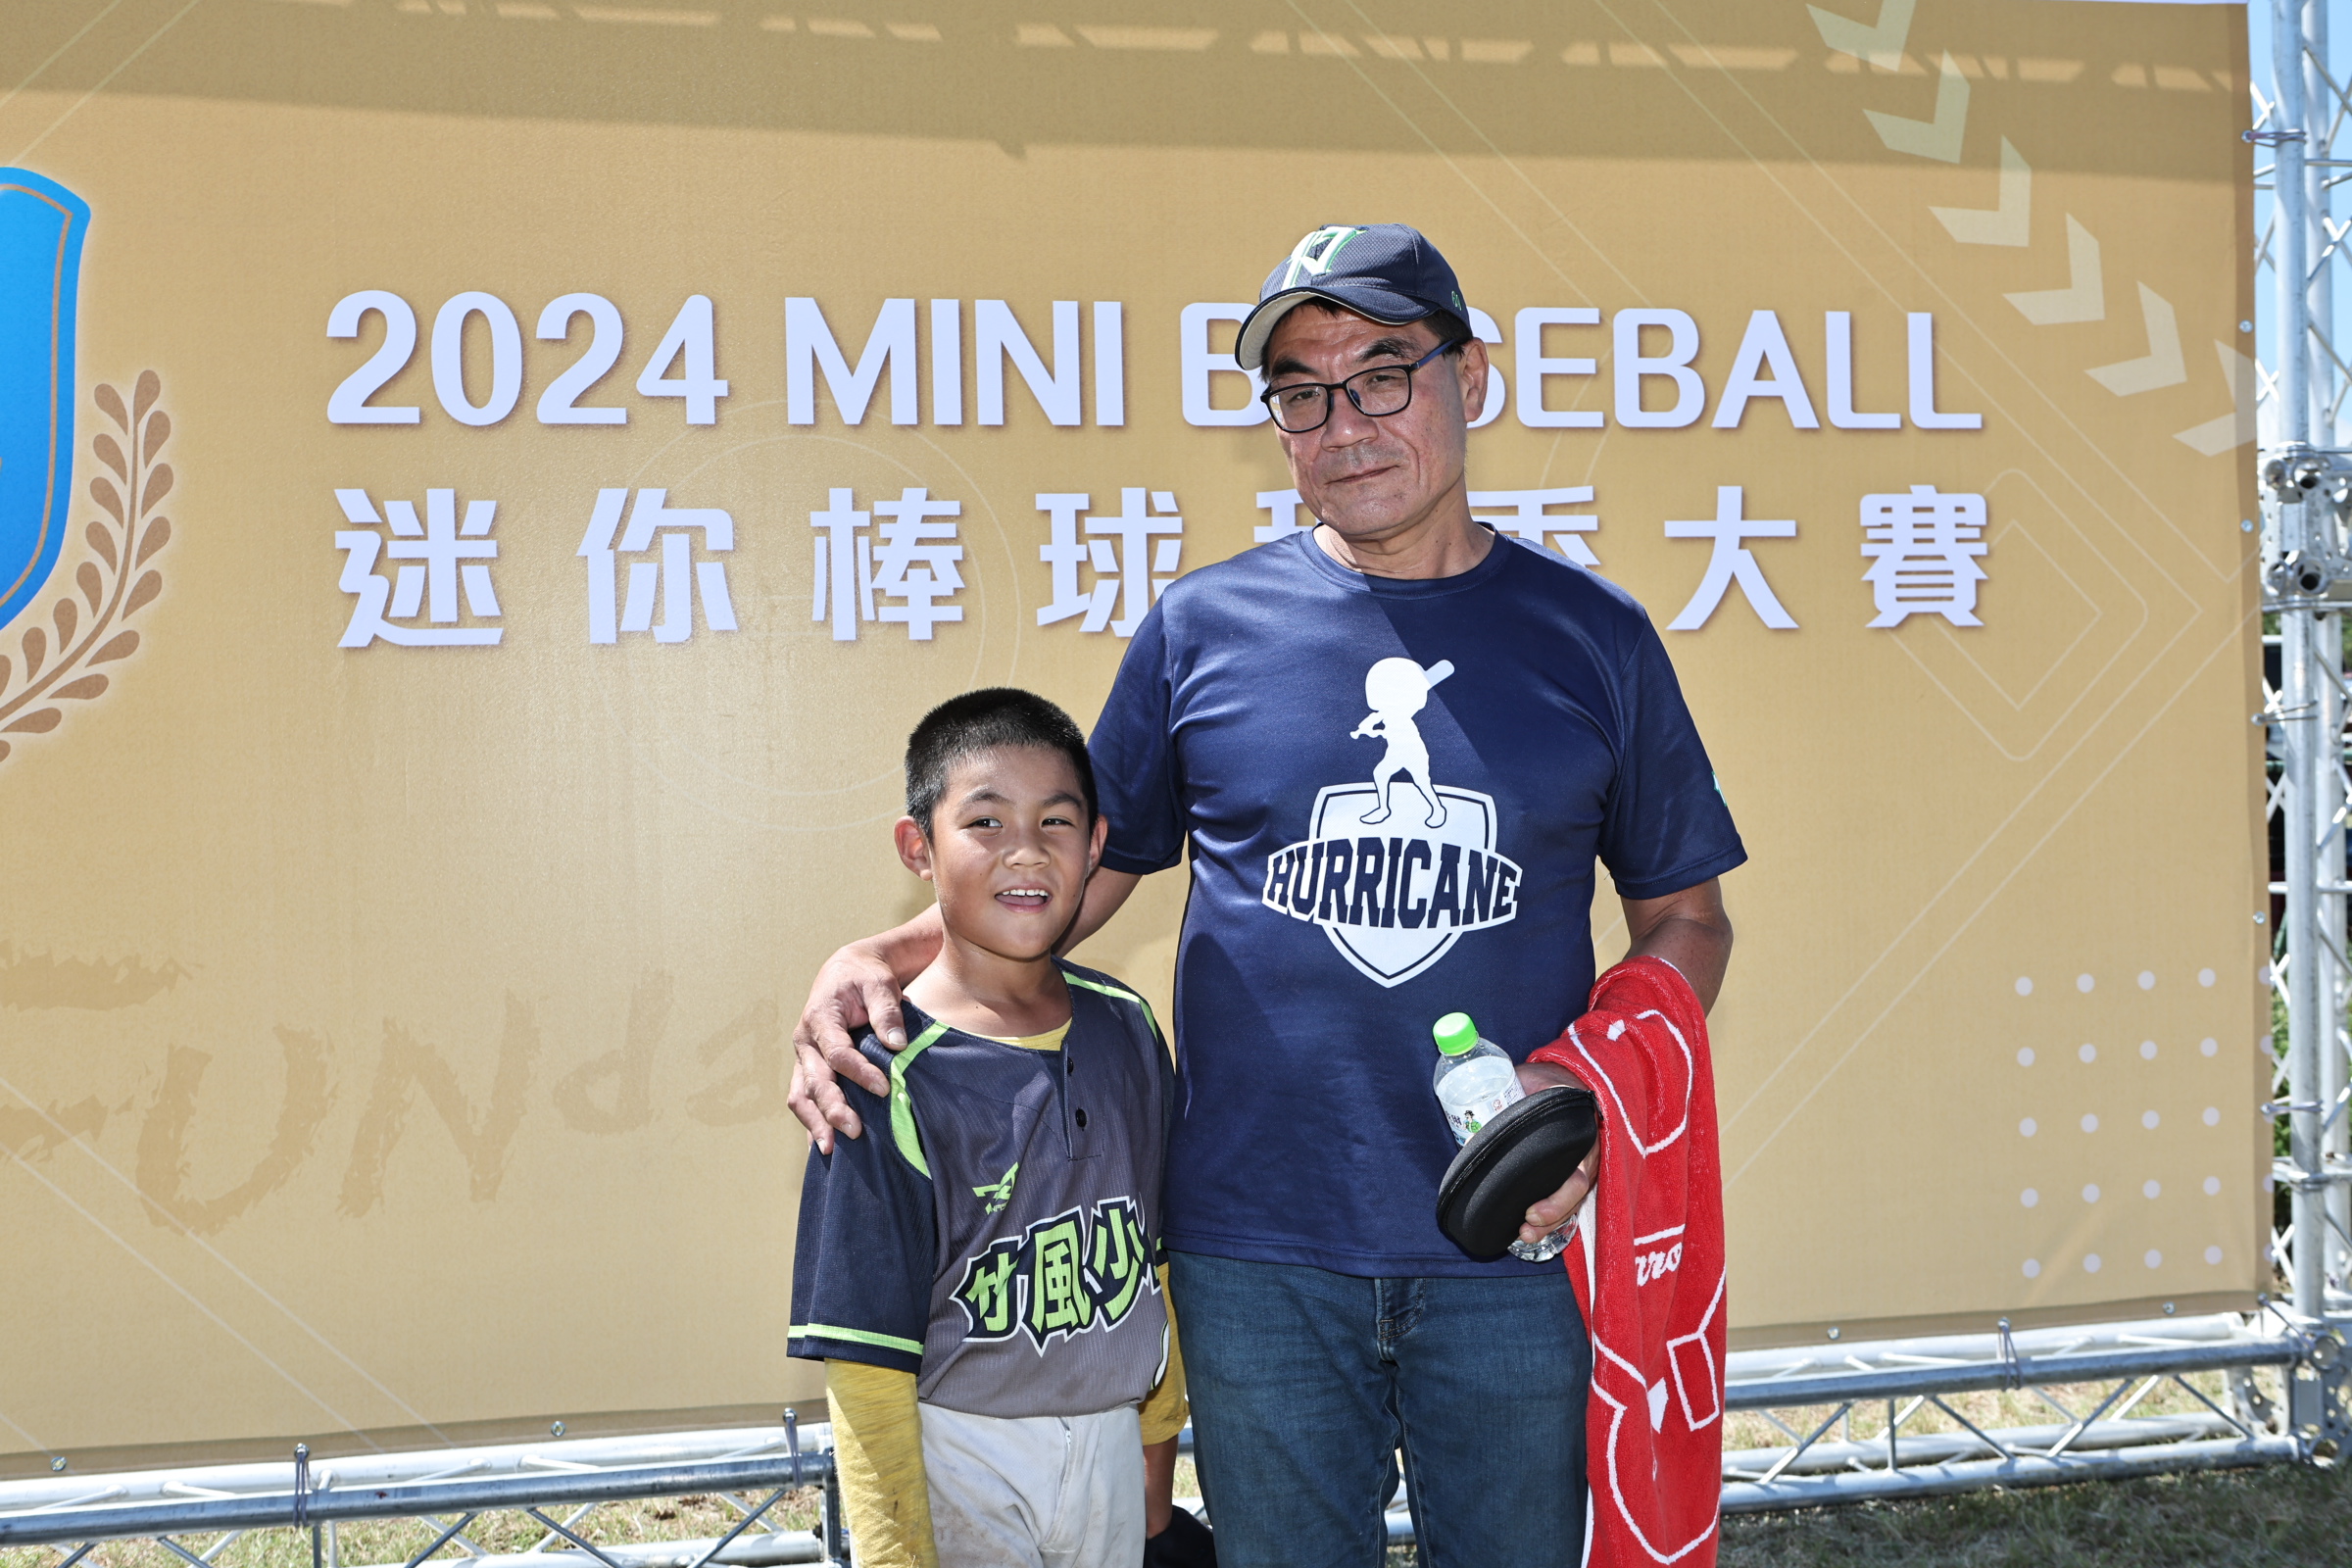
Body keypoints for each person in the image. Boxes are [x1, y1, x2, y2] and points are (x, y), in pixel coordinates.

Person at [791, 225, 1744, 1568]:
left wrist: (1583, 1086)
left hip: (1516, 1240)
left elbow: (1688, 918)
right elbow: (1076, 873)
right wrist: (883, 958)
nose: (1344, 424)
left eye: (1382, 374)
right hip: (1254, 1253)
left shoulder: (1595, 638)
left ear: (1472, 375)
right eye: (1303, 393)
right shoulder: (1202, 628)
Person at [787, 689, 1201, 1568]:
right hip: (957, 1447)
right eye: (984, 821)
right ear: (918, 848)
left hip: (1109, 1440)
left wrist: (1156, 1460)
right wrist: (897, 1552)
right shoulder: (880, 1071)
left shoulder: (1128, 1026)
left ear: (1096, 845)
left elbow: (1155, 1265)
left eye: (1057, 821)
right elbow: (866, 1360)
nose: (1026, 850)